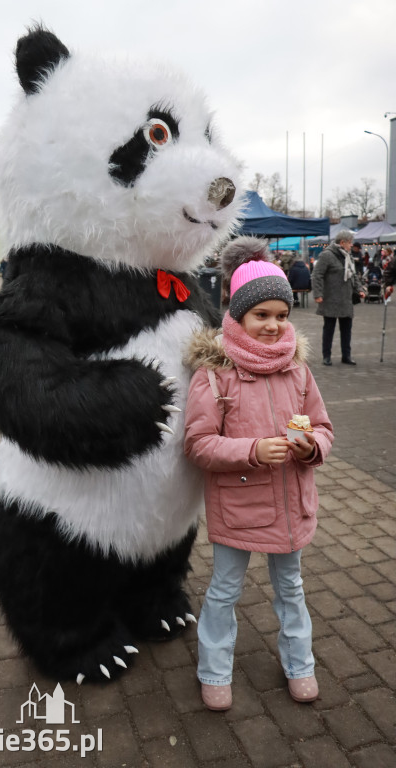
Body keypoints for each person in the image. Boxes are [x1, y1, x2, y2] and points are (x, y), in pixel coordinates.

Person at [184, 236, 334, 711]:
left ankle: (300, 664)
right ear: (237, 316)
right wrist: (251, 450)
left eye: (282, 316)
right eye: (261, 315)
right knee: (225, 590)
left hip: (290, 506)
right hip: (240, 508)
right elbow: (198, 443)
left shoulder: (298, 369)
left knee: (291, 589)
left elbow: (323, 425)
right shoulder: (215, 374)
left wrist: (312, 446)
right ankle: (213, 669)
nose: (273, 326)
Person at [311, 230, 365, 366]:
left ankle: (346, 356)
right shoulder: (327, 255)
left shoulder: (348, 256)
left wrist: (359, 289)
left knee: (346, 330)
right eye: (350, 242)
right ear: (342, 243)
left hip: (346, 300)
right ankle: (326, 356)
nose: (352, 245)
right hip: (330, 299)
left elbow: (352, 275)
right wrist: (318, 294)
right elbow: (317, 275)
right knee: (329, 329)